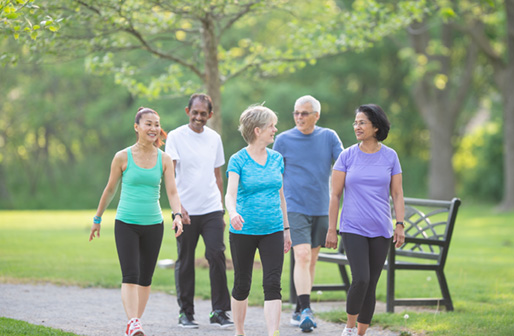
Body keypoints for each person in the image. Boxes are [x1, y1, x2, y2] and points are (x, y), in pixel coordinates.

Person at [89, 107, 184, 336]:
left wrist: (177, 215)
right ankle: (133, 323)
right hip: (126, 223)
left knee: (145, 279)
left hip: (153, 224)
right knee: (130, 274)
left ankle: (134, 323)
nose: (153, 128)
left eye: (156, 124)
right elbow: (110, 189)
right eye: (148, 124)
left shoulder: (165, 159)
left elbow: (172, 191)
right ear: (137, 127)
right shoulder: (122, 156)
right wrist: (97, 218)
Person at [325, 104, 405, 336]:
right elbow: (335, 195)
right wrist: (332, 229)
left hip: (381, 229)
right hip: (353, 227)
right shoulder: (346, 156)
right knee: (360, 279)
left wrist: (399, 223)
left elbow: (397, 193)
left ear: (376, 127)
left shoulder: (390, 156)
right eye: (355, 122)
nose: (356, 126)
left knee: (371, 283)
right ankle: (349, 328)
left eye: (362, 122)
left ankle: (361, 332)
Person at [273, 95, 343, 332]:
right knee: (301, 256)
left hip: (321, 208)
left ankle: (300, 307)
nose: (299, 117)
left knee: (311, 260)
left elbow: (343, 165)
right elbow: (275, 176)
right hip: (294, 207)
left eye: (304, 113)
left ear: (317, 116)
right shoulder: (282, 140)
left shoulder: (328, 136)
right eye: (296, 113)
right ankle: (306, 310)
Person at [165, 93, 233, 329]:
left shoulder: (214, 138)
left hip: (212, 208)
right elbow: (170, 176)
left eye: (203, 113)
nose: (198, 117)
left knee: (216, 255)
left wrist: (222, 210)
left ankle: (220, 311)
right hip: (185, 211)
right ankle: (186, 313)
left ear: (210, 115)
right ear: (188, 111)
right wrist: (178, 208)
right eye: (195, 112)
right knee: (185, 260)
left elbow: (218, 177)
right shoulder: (175, 137)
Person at [225, 105, 292, 336]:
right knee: (242, 283)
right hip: (243, 231)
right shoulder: (238, 160)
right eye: (271, 125)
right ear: (257, 130)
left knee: (273, 283)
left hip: (273, 229)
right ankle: (239, 331)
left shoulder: (276, 159)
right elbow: (230, 194)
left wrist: (286, 228)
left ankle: (273, 332)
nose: (275, 129)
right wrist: (232, 213)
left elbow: (281, 195)